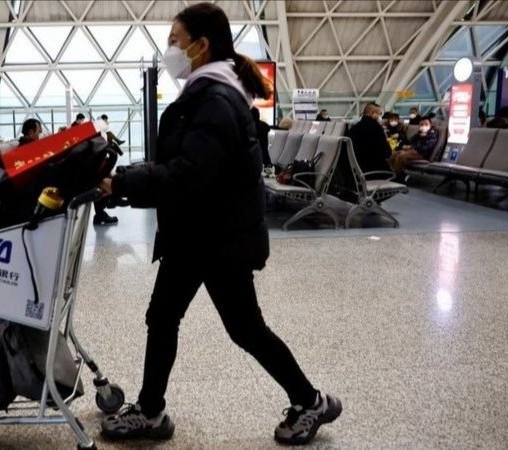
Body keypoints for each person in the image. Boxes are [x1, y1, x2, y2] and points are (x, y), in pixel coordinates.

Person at [98, 3, 341, 446]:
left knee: (243, 328)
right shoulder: (209, 94)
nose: (170, 50)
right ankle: (151, 412)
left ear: (201, 45)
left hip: (218, 239)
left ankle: (311, 401)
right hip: (198, 233)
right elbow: (185, 164)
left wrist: (123, 183)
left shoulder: (215, 100)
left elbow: (189, 171)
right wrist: (129, 179)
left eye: (175, 40)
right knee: (164, 317)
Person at [348, 102, 392, 174]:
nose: (380, 117)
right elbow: (387, 152)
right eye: (379, 114)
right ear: (373, 113)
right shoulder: (376, 128)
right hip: (375, 169)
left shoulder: (354, 128)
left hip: (359, 169)